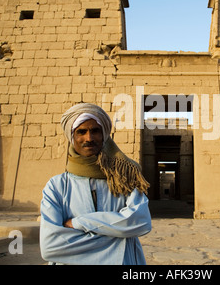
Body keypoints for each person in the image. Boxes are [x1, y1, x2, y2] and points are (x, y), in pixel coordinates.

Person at [39, 103, 151, 265]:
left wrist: (79, 223)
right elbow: (50, 247)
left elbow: (141, 222)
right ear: (72, 137)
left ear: (104, 135)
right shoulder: (56, 186)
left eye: (95, 131)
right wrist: (119, 240)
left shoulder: (125, 179)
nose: (89, 138)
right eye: (81, 132)